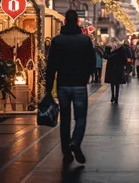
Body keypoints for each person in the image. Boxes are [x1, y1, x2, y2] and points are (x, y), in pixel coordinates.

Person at [46, 10, 96, 165]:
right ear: (78, 22)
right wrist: (86, 76)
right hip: (79, 84)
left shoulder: (57, 40)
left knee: (65, 119)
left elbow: (51, 66)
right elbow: (92, 64)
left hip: (63, 85)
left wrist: (48, 89)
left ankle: (66, 152)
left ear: (65, 22)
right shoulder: (85, 40)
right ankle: (75, 141)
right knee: (80, 117)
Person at [104, 38, 127, 104]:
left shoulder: (108, 47)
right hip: (118, 67)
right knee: (117, 83)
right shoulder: (121, 48)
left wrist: (109, 56)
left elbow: (105, 56)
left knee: (112, 82)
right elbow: (124, 59)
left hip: (111, 67)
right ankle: (116, 97)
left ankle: (113, 96)